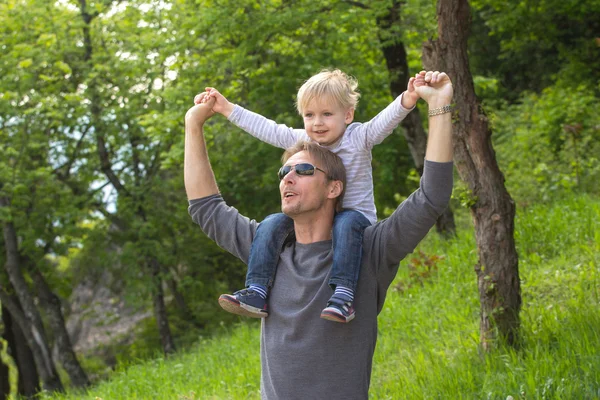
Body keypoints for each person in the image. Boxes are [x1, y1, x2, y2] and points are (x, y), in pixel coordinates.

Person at [185, 70, 454, 399]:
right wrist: (194, 124)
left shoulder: (370, 251)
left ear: (334, 187)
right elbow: (206, 208)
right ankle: (255, 293)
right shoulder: (268, 249)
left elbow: (432, 197)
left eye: (304, 170)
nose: (289, 177)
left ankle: (342, 296)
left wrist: (438, 105)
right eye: (285, 171)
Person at [196, 69, 421, 323]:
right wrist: (226, 108)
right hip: (313, 221)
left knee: (345, 222)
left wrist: (408, 98)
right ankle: (257, 291)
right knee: (272, 222)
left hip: (354, 220)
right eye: (310, 115)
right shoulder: (304, 141)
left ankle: (344, 296)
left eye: (327, 114)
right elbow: (267, 128)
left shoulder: (358, 138)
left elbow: (384, 121)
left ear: (347, 115)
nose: (317, 123)